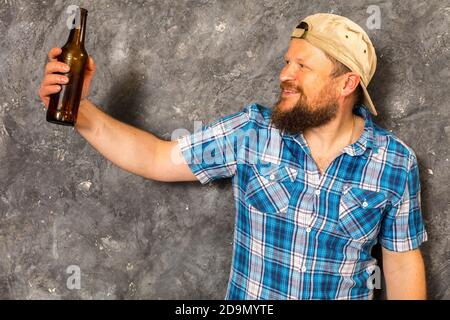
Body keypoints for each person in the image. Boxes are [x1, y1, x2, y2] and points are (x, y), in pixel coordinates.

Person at [38, 13, 428, 300]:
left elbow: (402, 266)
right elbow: (156, 157)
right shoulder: (252, 133)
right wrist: (77, 107)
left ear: (347, 83)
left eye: (303, 66)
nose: (284, 74)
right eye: (286, 61)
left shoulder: (395, 163)